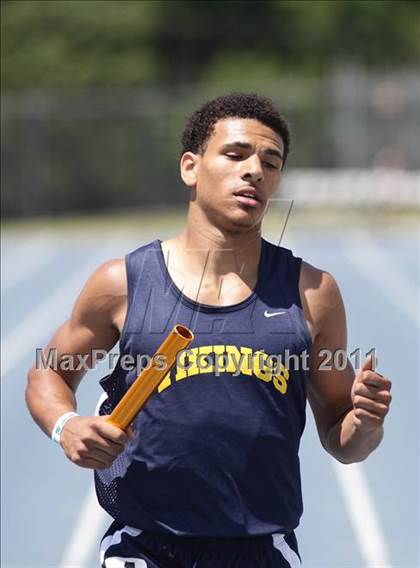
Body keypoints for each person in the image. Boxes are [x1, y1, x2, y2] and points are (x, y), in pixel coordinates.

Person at [26, 93, 392, 568]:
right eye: (236, 154)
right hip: (143, 547)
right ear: (190, 167)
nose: (255, 171)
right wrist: (65, 425)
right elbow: (48, 374)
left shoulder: (312, 292)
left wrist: (366, 423)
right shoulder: (123, 283)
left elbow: (345, 442)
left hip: (263, 550)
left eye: (271, 161)